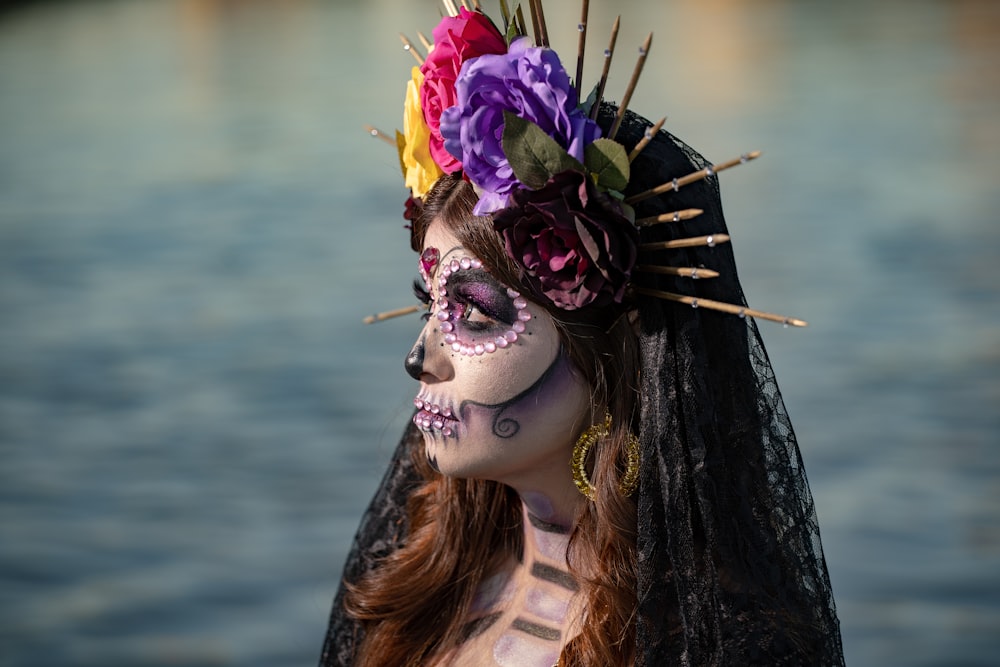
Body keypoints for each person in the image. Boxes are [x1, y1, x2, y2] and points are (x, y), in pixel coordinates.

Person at [320, 4, 844, 666]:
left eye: (476, 313)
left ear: (610, 346)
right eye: (429, 302)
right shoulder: (418, 592)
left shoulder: (711, 645)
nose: (420, 357)